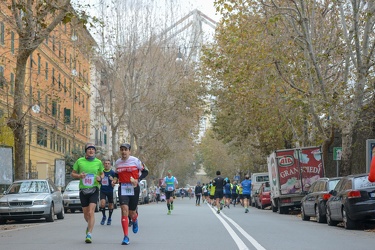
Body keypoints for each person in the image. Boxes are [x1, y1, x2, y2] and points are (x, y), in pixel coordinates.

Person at [113, 143, 149, 245]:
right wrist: (115, 180)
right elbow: (116, 174)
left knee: (131, 212)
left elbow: (146, 171)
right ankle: (126, 236)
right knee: (124, 210)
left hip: (134, 187)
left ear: (129, 151)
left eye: (125, 150)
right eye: (122, 150)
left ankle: (135, 219)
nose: (123, 152)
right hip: (123, 187)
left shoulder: (136, 161)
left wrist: (138, 180)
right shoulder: (118, 162)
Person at [71, 143, 104, 244]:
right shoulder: (79, 161)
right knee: (86, 215)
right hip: (83, 190)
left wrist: (100, 177)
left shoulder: (98, 162)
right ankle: (89, 225)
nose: (91, 151)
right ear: (86, 151)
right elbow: (72, 173)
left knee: (91, 212)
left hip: (94, 189)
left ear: (94, 151)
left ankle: (89, 233)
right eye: (89, 149)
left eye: (93, 149)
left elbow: (102, 173)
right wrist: (79, 176)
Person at [99, 159, 116, 226]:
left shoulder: (112, 172)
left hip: (110, 190)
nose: (107, 165)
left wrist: (113, 180)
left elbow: (116, 180)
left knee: (110, 205)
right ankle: (104, 216)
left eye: (108, 163)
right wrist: (99, 179)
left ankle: (109, 218)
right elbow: (98, 179)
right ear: (104, 164)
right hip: (103, 190)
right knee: (102, 204)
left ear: (110, 165)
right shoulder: (101, 172)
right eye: (105, 163)